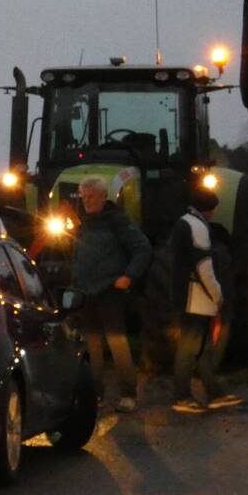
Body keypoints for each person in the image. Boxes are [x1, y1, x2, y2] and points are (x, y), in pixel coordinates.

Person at [71, 176, 152, 413]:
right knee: (92, 345)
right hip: (87, 292)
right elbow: (77, 254)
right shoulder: (83, 224)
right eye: (84, 197)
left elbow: (142, 248)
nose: (87, 201)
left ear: (104, 197)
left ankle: (128, 394)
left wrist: (128, 276)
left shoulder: (117, 221)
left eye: (91, 196)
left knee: (117, 342)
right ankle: (96, 394)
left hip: (109, 292)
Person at [170, 187, 244, 413]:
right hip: (197, 298)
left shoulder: (183, 223)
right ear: (209, 208)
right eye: (213, 209)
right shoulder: (198, 227)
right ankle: (182, 397)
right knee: (189, 348)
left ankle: (214, 392)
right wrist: (217, 294)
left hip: (187, 296)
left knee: (202, 349)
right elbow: (204, 267)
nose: (213, 214)